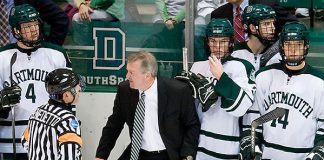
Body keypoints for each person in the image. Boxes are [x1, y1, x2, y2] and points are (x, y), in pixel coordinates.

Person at [239, 21, 324, 160]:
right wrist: (251, 143)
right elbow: (253, 120)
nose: (293, 50)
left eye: (298, 45)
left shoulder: (320, 82)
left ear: (306, 46)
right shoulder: (264, 76)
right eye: (288, 44)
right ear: (281, 46)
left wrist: (319, 152)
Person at [95, 51, 200, 160]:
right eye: (127, 71)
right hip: (137, 153)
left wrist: (187, 155)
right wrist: (101, 156)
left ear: (147, 75)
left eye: (132, 73)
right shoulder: (124, 90)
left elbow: (192, 125)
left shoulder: (177, 91)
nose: (127, 76)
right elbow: (113, 125)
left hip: (168, 154)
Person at [0, 4, 72, 160]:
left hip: (48, 139)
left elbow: (70, 99)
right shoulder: (2, 57)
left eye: (35, 24)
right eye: (27, 26)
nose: (33, 29)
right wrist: (1, 105)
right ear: (16, 31)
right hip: (12, 142)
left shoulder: (57, 54)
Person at [184, 18, 256, 159]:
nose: (217, 46)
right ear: (207, 42)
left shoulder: (242, 67)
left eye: (222, 41)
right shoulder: (198, 67)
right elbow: (189, 112)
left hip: (228, 149)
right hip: (199, 147)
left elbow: (241, 108)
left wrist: (221, 77)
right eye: (213, 41)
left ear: (230, 42)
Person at [21, 68, 85, 160]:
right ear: (66, 95)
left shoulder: (38, 112)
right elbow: (69, 156)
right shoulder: (67, 120)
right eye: (77, 90)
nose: (79, 92)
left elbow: (25, 140)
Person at [231, 4, 280, 70]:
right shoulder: (234, 52)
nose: (273, 28)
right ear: (253, 28)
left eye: (273, 23)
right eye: (267, 24)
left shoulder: (277, 54)